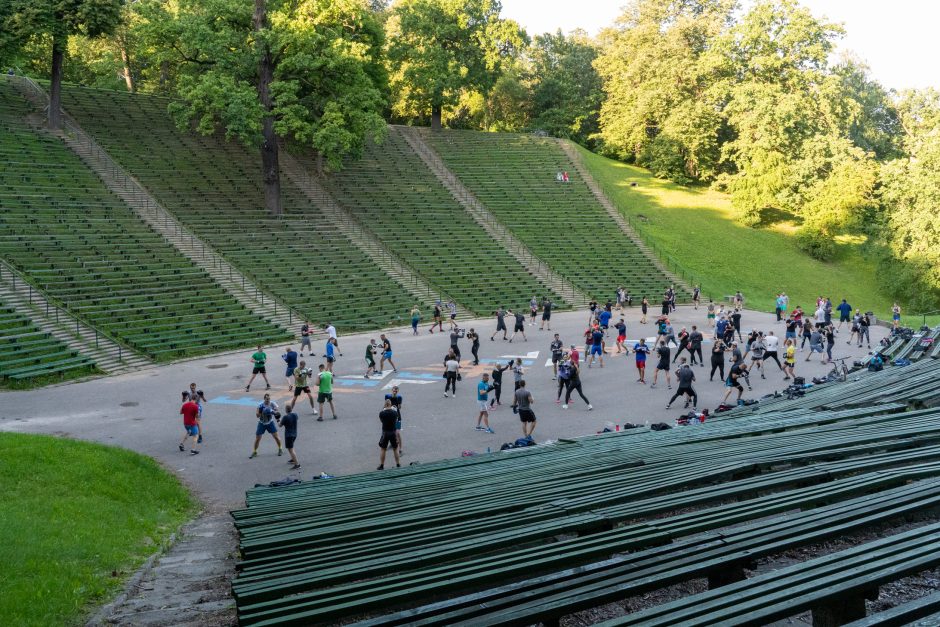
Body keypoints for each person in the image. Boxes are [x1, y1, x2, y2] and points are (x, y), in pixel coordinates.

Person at [249, 394, 282, 458]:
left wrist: (274, 413)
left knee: (276, 437)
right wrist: (261, 412)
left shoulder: (273, 404)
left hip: (270, 423)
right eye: (267, 399)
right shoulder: (260, 405)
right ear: (264, 399)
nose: (268, 400)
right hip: (262, 423)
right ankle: (255, 451)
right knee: (258, 438)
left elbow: (277, 413)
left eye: (269, 399)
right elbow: (257, 416)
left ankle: (280, 448)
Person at [377, 399, 401, 470]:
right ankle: (398, 464)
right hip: (393, 432)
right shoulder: (395, 413)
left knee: (383, 449)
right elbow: (396, 420)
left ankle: (381, 465)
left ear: (385, 404)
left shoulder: (381, 413)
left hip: (385, 433)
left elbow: (381, 421)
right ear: (390, 404)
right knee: (395, 449)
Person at [384, 386, 404, 454]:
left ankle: (400, 448)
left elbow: (400, 407)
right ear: (391, 390)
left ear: (397, 391)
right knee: (391, 432)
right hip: (390, 417)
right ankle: (392, 444)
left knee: (397, 433)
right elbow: (385, 405)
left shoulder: (399, 397)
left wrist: (398, 405)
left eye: (396, 391)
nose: (395, 392)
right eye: (394, 391)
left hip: (397, 417)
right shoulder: (387, 396)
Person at [280, 403, 300, 470]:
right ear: (291, 409)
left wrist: (278, 419)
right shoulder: (295, 414)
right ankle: (293, 459)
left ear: (286, 410)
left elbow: (280, 425)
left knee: (290, 449)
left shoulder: (285, 417)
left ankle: (297, 464)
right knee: (291, 447)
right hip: (294, 434)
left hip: (288, 435)